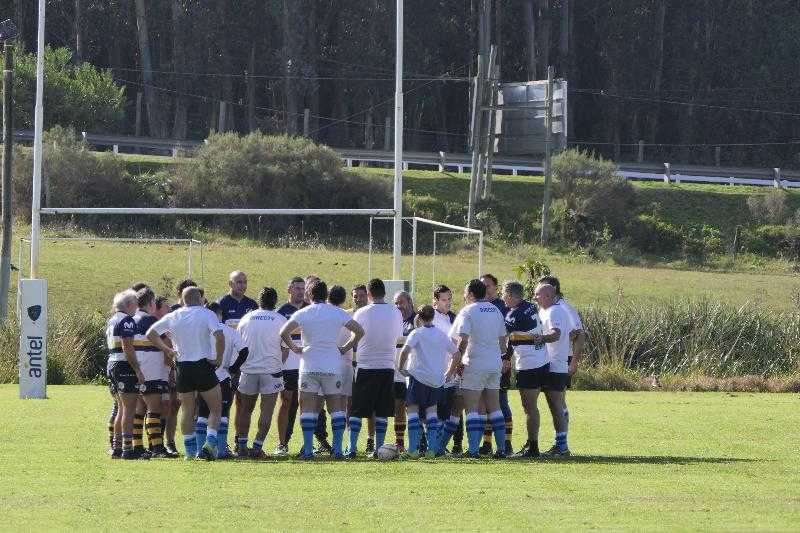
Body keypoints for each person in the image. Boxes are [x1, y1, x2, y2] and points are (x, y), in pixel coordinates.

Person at [280, 279, 364, 459]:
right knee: (337, 409)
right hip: (332, 366)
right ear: (326, 295)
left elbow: (283, 332)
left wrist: (295, 349)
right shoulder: (337, 313)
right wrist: (345, 348)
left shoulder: (303, 312)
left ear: (309, 295)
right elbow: (360, 331)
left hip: (309, 365)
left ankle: (309, 450)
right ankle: (338, 450)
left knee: (307, 410)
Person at [147, 287, 225, 461]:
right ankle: (209, 444)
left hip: (182, 367)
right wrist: (218, 358)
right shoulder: (207, 314)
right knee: (216, 407)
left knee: (187, 410)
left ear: (182, 300)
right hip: (202, 365)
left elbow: (150, 333)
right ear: (201, 299)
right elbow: (219, 336)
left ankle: (189, 452)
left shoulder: (174, 315)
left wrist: (168, 350)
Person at [447, 279, 508, 459]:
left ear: (471, 294)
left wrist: (458, 359)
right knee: (495, 407)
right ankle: (502, 449)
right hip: (494, 362)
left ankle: (473, 450)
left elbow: (463, 338)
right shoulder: (495, 309)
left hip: (475, 362)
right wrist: (502, 356)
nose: (464, 296)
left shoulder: (468, 311)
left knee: (472, 408)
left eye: (465, 293)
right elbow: (503, 340)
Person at [347, 278, 403, 457]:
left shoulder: (361, 313)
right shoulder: (395, 312)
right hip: (387, 366)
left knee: (357, 409)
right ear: (384, 293)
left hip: (365, 365)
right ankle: (379, 449)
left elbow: (353, 339)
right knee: (382, 410)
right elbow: (398, 338)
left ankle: (352, 448)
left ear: (369, 294)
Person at [398, 305, 459, 458]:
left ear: (418, 316)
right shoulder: (441, 335)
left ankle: (412, 450)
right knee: (432, 413)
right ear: (433, 317)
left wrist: (401, 368)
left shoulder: (416, 333)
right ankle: (432, 449)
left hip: (418, 377)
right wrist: (449, 372)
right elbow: (456, 354)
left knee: (412, 411)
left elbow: (405, 351)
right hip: (436, 380)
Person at [235, 287, 287, 459]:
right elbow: (285, 349)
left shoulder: (246, 318)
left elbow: (238, 345)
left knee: (245, 410)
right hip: (271, 371)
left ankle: (241, 447)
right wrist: (278, 364)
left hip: (248, 370)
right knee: (266, 411)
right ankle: (257, 448)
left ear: (259, 300)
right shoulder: (280, 319)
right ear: (275, 301)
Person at [502, 281, 548, 458]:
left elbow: (505, 337)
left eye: (505, 295)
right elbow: (516, 338)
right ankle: (531, 443)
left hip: (528, 364)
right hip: (542, 360)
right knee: (532, 407)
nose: (503, 299)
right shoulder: (530, 306)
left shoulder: (514, 314)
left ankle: (533, 447)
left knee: (529, 407)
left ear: (511, 296)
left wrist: (505, 357)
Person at [196, 302, 248, 459]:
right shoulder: (229, 331)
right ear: (220, 314)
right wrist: (233, 369)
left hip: (203, 376)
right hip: (223, 377)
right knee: (222, 413)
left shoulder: (202, 331)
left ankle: (200, 450)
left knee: (203, 413)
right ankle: (221, 450)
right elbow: (244, 351)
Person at [538, 275, 585, 445]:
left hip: (562, 359)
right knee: (553, 400)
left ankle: (562, 443)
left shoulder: (563, 308)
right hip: (546, 360)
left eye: (542, 289)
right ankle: (559, 441)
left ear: (552, 291)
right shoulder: (545, 308)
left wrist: (574, 362)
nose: (537, 293)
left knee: (558, 400)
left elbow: (579, 334)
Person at [132, 287, 173, 458]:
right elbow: (167, 342)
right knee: (154, 408)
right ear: (151, 303)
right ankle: (157, 448)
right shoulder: (150, 320)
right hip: (151, 367)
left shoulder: (132, 318)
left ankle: (138, 446)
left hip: (139, 366)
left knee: (140, 408)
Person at [533, 283, 571, 457]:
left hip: (555, 366)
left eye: (537, 294)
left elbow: (556, 334)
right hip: (548, 364)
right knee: (554, 405)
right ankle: (560, 445)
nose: (535, 297)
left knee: (556, 406)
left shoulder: (555, 311)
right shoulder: (544, 311)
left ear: (548, 296)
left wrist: (540, 339)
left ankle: (562, 447)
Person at [106, 289, 144, 460]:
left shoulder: (112, 320)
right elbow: (127, 347)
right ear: (129, 305)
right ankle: (128, 449)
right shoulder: (127, 320)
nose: (137, 307)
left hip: (112, 363)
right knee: (129, 409)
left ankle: (117, 447)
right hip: (123, 365)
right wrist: (137, 369)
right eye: (136, 304)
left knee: (121, 407)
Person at [480, 273, 513, 456]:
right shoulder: (478, 306)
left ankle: (507, 443)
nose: (485, 289)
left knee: (501, 402)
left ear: (496, 288)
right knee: (484, 403)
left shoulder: (502, 308)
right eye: (482, 286)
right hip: (484, 361)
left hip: (500, 360)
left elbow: (509, 336)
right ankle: (486, 443)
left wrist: (507, 357)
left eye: (488, 286)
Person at [432, 285, 465, 455]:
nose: (448, 303)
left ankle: (445, 444)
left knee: (452, 409)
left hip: (452, 371)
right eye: (444, 300)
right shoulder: (431, 318)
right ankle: (436, 445)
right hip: (436, 371)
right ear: (435, 301)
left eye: (449, 299)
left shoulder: (453, 318)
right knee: (437, 411)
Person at [275, 276, 305, 456]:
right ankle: (282, 442)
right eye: (297, 288)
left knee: (308, 404)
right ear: (289, 290)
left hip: (307, 364)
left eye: (303, 288)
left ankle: (309, 443)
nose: (300, 292)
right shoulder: (281, 312)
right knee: (286, 402)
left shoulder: (310, 309)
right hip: (288, 366)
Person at [154, 295, 180, 455]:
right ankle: (156, 443)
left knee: (173, 405)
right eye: (166, 307)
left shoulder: (170, 326)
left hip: (171, 371)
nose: (170, 310)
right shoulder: (153, 327)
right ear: (156, 309)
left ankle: (169, 442)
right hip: (159, 373)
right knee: (159, 407)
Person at [392, 290, 416, 451]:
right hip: (397, 372)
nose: (399, 306)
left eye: (401, 302)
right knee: (398, 406)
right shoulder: (394, 321)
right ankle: (399, 443)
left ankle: (419, 442)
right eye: (396, 303)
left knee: (415, 407)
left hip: (414, 371)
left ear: (409, 302)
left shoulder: (416, 320)